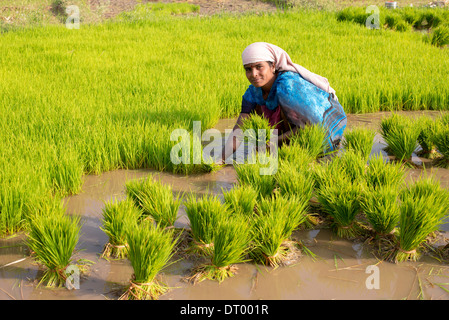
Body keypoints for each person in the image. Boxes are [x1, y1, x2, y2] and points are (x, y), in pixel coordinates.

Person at [220, 42, 347, 163]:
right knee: (255, 113)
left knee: (286, 105)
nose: (254, 74)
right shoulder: (252, 92)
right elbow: (239, 129)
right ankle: (283, 148)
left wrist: (273, 142)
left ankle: (292, 151)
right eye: (248, 69)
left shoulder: (288, 86)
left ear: (273, 66)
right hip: (288, 134)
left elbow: (310, 125)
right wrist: (221, 159)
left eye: (259, 67)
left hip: (324, 132)